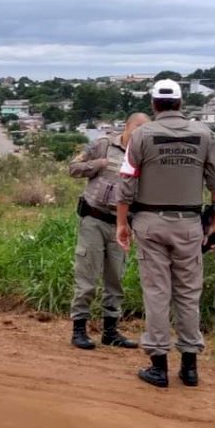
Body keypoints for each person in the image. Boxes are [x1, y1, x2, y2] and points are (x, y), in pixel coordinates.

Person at [115, 79, 215, 388]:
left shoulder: (141, 135)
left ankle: (159, 366)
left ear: (154, 105)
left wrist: (122, 225)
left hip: (150, 222)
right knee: (188, 294)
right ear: (180, 103)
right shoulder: (204, 135)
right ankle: (190, 367)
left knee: (157, 293)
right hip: (189, 224)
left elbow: (125, 186)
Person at [67, 113, 150, 350]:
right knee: (87, 277)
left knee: (116, 279)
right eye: (137, 127)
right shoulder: (103, 145)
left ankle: (111, 331)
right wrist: (98, 164)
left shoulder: (143, 156)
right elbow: (73, 168)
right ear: (127, 126)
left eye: (145, 129)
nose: (139, 133)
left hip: (121, 224)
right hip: (93, 219)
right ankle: (79, 329)